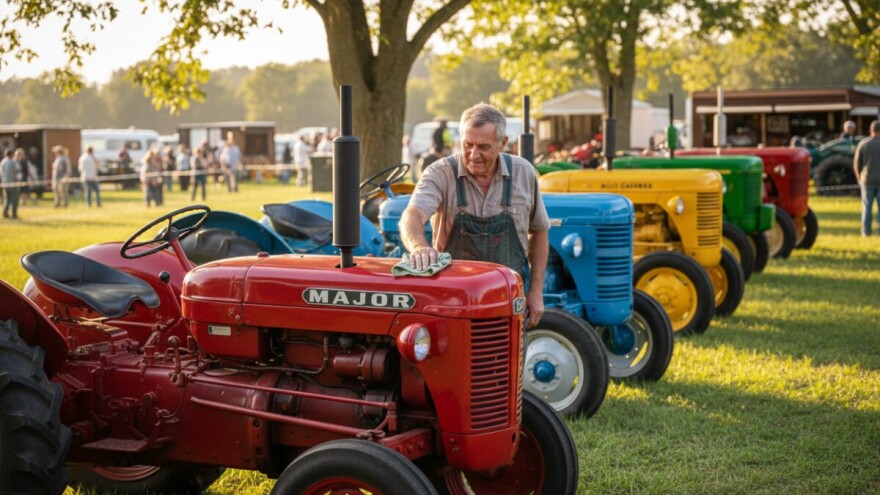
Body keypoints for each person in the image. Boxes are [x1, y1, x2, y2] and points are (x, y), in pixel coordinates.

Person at [399, 103, 550, 329]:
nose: (473, 154)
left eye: (483, 147)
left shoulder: (524, 172)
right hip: (454, 302)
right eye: (468, 144)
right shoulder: (440, 173)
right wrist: (419, 246)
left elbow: (539, 230)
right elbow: (412, 214)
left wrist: (536, 291)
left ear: (503, 144)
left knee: (510, 362)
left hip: (509, 299)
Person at [853, 120, 880, 236]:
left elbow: (856, 164)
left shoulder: (863, 143)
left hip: (867, 179)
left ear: (871, 130)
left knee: (867, 207)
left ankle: (866, 231)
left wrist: (859, 179)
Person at [1, 149, 20, 219]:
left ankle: (5, 213)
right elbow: (16, 172)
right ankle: (14, 214)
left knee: (7, 199)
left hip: (4, 183)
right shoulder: (13, 162)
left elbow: (1, 173)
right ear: (11, 154)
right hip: (12, 183)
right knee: (15, 199)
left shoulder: (2, 162)